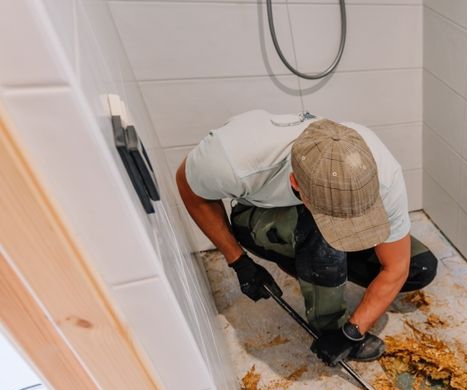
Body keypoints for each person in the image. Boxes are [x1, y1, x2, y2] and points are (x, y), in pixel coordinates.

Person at [176, 110, 437, 366]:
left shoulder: (382, 171)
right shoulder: (232, 161)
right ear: (296, 183)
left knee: (419, 267)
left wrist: (352, 332)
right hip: (258, 214)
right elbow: (189, 187)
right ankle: (328, 323)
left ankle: (311, 268)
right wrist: (238, 261)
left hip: (314, 210)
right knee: (320, 238)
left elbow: (397, 267)